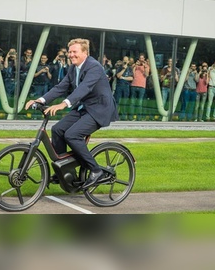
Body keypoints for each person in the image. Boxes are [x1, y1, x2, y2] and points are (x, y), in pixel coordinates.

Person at [25, 38, 119, 190]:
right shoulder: (73, 68)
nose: (71, 55)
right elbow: (61, 87)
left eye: (74, 51)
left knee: (72, 135)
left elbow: (84, 88)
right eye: (69, 52)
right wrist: (40, 100)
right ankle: (65, 169)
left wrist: (64, 104)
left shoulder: (94, 67)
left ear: (85, 53)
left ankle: (96, 171)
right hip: (84, 107)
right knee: (57, 130)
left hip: (99, 109)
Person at [129, 54, 149, 121]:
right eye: (140, 58)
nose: (141, 60)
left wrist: (144, 66)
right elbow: (132, 74)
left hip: (142, 86)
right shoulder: (135, 66)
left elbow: (146, 74)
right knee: (132, 102)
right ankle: (131, 117)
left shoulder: (146, 66)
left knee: (140, 103)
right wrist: (135, 65)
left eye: (142, 58)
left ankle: (139, 117)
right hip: (134, 85)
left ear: (144, 59)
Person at [114, 56, 133, 120]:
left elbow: (131, 78)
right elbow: (118, 76)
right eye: (124, 61)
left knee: (124, 101)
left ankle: (123, 116)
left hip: (126, 86)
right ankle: (115, 116)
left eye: (126, 61)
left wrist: (124, 78)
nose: (125, 62)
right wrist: (123, 69)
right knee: (117, 101)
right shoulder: (119, 68)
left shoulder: (130, 69)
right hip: (119, 85)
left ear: (128, 61)